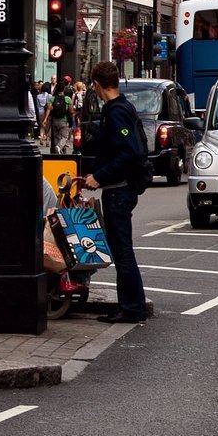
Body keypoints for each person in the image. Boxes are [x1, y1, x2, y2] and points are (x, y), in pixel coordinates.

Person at [83, 62, 150, 324]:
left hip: (118, 191)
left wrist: (98, 176)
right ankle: (134, 304)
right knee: (120, 249)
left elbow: (128, 152)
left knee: (122, 251)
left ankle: (132, 308)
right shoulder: (122, 107)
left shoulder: (116, 112)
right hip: (120, 189)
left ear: (97, 85)